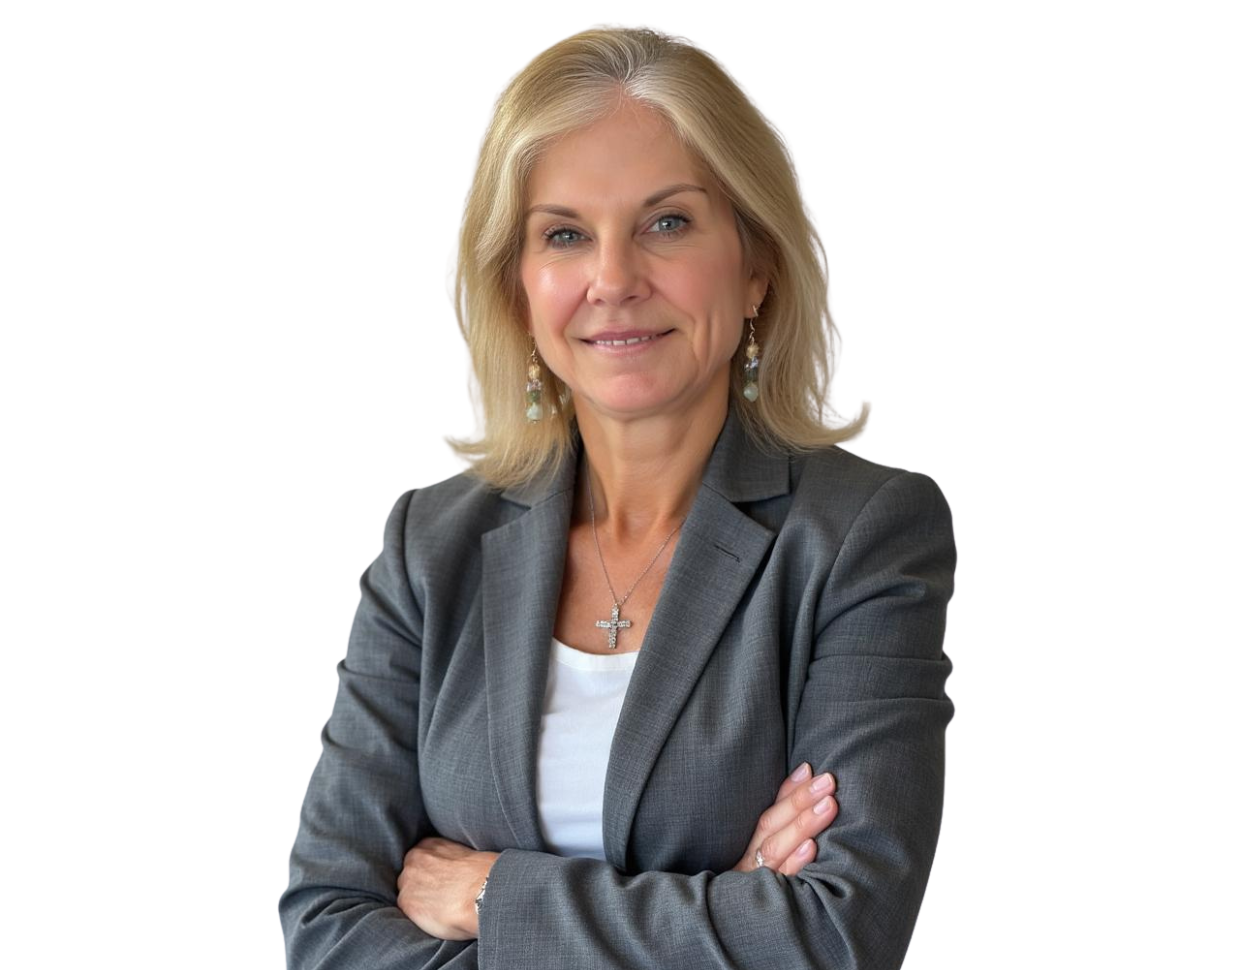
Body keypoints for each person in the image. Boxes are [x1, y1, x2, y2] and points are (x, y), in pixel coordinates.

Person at [279, 22, 956, 970]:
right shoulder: (428, 544)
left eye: (667, 222)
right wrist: (727, 909)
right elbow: (323, 926)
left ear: (756, 263)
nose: (613, 280)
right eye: (564, 234)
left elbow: (836, 936)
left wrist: (488, 894)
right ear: (517, 288)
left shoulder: (863, 535)